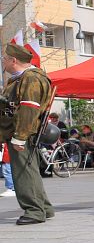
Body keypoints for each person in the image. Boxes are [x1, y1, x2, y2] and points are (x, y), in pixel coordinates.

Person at [1, 42, 55, 225]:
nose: (3, 62)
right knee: (30, 171)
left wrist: (20, 137)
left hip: (22, 133)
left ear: (13, 60)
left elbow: (28, 109)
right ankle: (43, 208)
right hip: (20, 132)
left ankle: (34, 210)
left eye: (5, 59)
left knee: (23, 173)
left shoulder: (30, 78)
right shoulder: (22, 77)